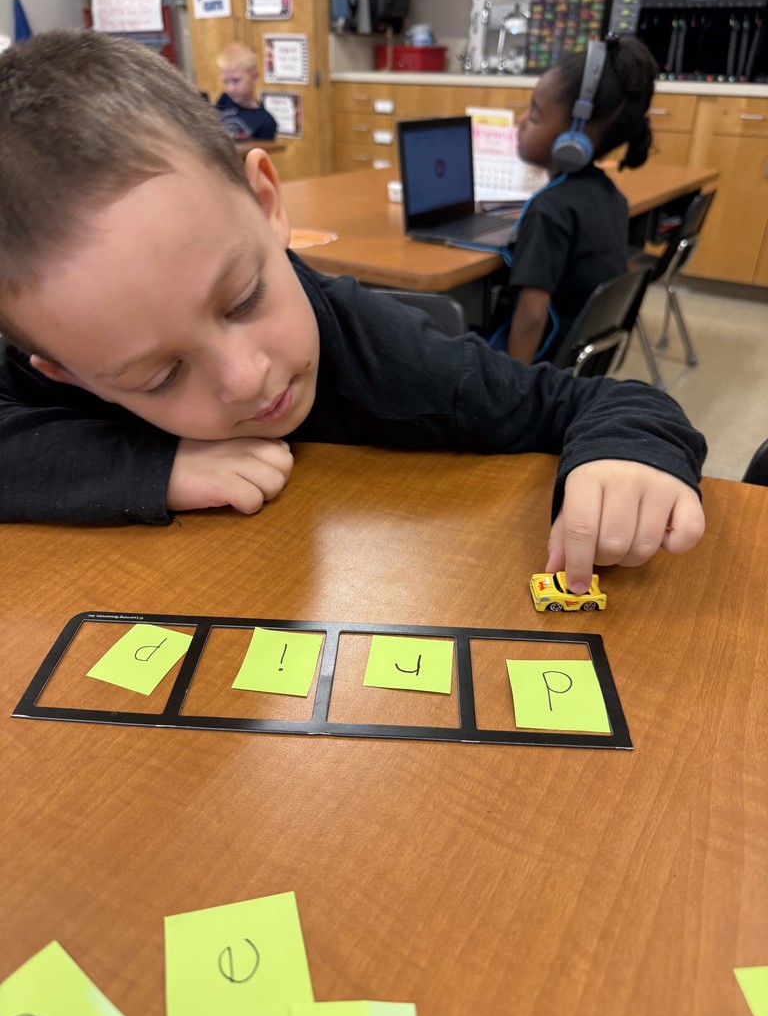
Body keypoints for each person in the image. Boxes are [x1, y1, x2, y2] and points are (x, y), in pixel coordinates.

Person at [0, 30, 705, 597]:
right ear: (69, 375)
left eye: (244, 299)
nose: (247, 380)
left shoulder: (400, 361)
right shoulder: (62, 332)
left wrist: (626, 454)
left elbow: (604, 402)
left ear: (268, 206)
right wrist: (150, 466)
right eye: (160, 376)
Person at [490, 35, 657, 364]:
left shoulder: (549, 210)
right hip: (580, 364)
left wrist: (514, 392)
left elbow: (532, 316)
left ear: (574, 137)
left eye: (535, 115)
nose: (521, 122)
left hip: (544, 371)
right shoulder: (612, 197)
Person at [214, 42, 276, 141]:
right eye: (225, 82)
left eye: (236, 80)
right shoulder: (224, 100)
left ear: (254, 76)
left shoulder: (265, 121)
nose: (230, 89)